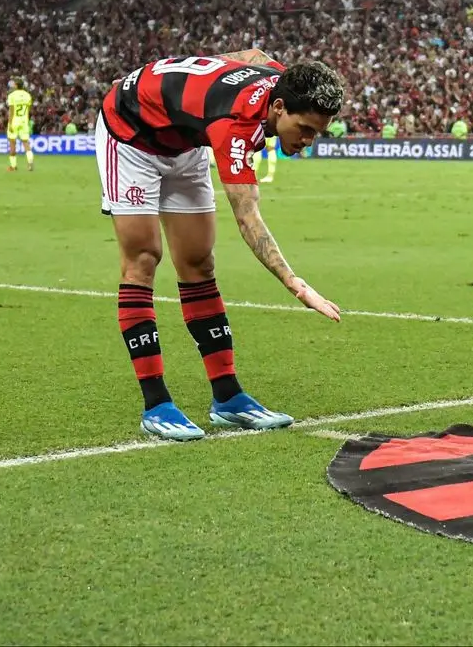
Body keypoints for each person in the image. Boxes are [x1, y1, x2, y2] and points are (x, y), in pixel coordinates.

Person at [97, 51, 344, 441]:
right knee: (143, 259)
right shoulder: (234, 125)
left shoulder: (281, 80)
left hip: (185, 137)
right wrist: (294, 283)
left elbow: (252, 56)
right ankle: (156, 403)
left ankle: (227, 398)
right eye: (306, 129)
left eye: (319, 132)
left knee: (198, 262)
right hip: (132, 135)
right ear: (279, 107)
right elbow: (247, 216)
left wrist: (199, 75)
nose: (309, 141)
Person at [7, 79, 33, 172]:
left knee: (12, 143)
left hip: (14, 121)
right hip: (24, 121)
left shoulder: (12, 96)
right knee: (26, 143)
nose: (13, 86)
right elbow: (28, 110)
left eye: (14, 84)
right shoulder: (28, 95)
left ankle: (13, 166)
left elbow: (11, 111)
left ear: (17, 85)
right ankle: (30, 163)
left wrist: (10, 123)